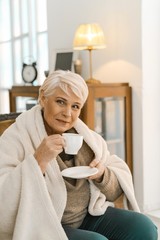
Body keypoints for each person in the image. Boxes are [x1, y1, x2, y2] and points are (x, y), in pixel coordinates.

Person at [0, 70, 158, 240]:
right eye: (61, 102)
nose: (68, 113)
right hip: (45, 223)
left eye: (75, 106)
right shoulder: (16, 136)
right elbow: (3, 196)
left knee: (144, 227)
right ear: (43, 98)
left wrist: (101, 175)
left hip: (86, 215)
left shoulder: (89, 140)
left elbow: (115, 191)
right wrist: (38, 161)